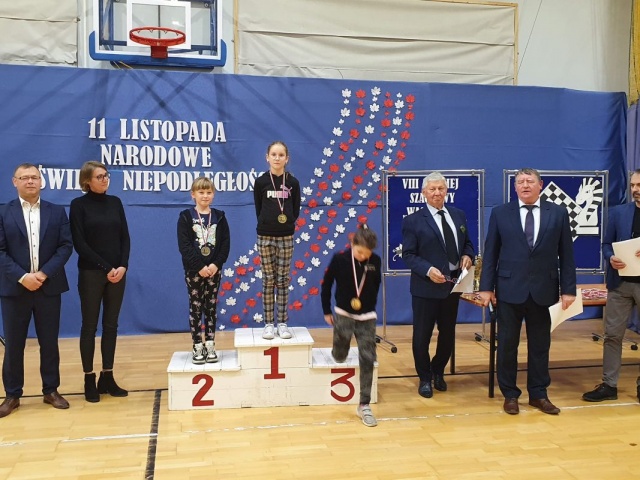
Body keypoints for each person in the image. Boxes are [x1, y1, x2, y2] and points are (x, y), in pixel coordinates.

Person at [478, 167, 576, 415]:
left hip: (544, 290)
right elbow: (491, 253)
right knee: (507, 345)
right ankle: (510, 394)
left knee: (540, 346)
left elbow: (566, 254)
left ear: (540, 185)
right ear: (515, 187)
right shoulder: (501, 213)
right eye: (520, 182)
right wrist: (486, 287)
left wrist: (568, 289)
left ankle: (539, 394)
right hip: (509, 290)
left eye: (530, 181)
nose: (525, 185)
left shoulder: (558, 213)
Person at [0, 163, 73, 418]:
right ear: (15, 181)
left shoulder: (56, 211)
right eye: (24, 177)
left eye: (34, 177)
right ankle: (12, 394)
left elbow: (65, 246)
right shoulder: (3, 212)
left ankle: (51, 390)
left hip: (47, 287)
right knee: (14, 345)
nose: (30, 181)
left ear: (41, 181)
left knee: (49, 342)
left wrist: (42, 274)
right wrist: (23, 277)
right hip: (14, 288)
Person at [401, 172, 475, 399]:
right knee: (422, 336)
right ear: (423, 192)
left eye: (440, 189)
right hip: (425, 288)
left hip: (452, 287)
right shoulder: (413, 220)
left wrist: (468, 255)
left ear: (447, 191)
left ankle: (438, 370)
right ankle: (424, 378)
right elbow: (408, 254)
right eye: (432, 189)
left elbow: (468, 244)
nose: (436, 193)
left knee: (448, 335)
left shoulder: (458, 215)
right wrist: (428, 270)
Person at [69, 161, 130, 403]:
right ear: (87, 181)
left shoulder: (115, 202)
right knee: (89, 326)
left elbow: (125, 237)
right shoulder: (78, 205)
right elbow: (80, 244)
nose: (105, 180)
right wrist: (107, 267)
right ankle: (88, 378)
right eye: (100, 176)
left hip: (117, 274)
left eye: (106, 176)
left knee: (111, 325)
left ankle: (107, 376)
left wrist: (122, 266)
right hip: (91, 273)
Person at [583, 169, 640, 404]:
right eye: (633, 185)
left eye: (639, 185)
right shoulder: (618, 212)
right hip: (620, 284)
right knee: (612, 335)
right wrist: (610, 257)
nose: (635, 189)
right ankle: (609, 385)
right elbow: (606, 244)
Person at [321, 225, 382, 427]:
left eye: (367, 253)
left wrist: (368, 305)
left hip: (367, 317)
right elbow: (326, 284)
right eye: (359, 252)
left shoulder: (375, 261)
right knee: (340, 354)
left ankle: (364, 404)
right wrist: (327, 311)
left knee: (368, 357)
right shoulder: (340, 259)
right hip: (344, 315)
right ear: (352, 244)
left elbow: (376, 284)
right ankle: (338, 351)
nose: (363, 256)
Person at [177, 176, 230, 364]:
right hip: (194, 271)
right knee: (196, 306)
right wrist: (199, 266)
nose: (205, 195)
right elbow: (184, 246)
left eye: (208, 192)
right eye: (201, 192)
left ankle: (210, 343)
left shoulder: (220, 217)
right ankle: (197, 344)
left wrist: (216, 264)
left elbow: (225, 245)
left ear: (213, 194)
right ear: (193, 194)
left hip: (214, 270)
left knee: (211, 307)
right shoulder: (185, 217)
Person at [253, 141, 301, 340]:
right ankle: (268, 324)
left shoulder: (293, 183)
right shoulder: (261, 182)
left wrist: (286, 223)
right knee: (268, 280)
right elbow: (258, 207)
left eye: (281, 155)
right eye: (273, 154)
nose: (277, 158)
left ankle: (282, 323)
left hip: (286, 236)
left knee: (282, 280)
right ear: (267, 157)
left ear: (286, 159)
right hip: (265, 236)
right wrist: (267, 223)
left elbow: (295, 209)